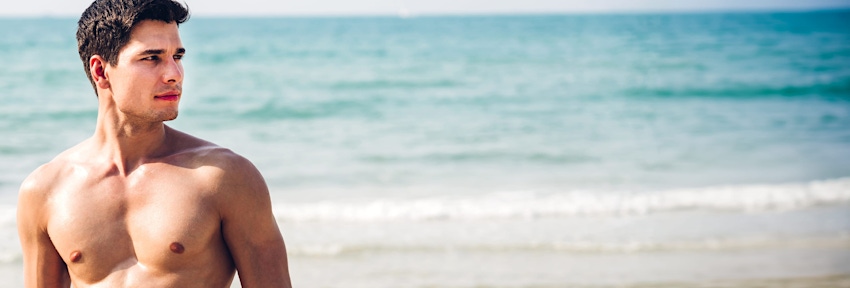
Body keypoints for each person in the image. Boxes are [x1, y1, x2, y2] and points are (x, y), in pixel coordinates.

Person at [16, 0, 293, 287]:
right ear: (100, 71)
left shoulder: (224, 178)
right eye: (152, 58)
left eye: (178, 56)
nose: (175, 74)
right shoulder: (45, 191)